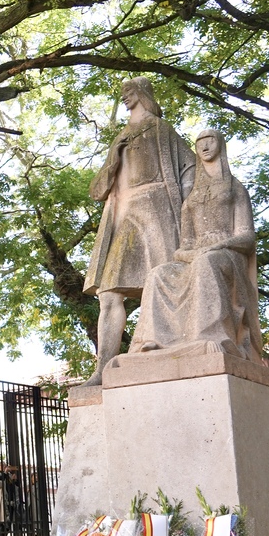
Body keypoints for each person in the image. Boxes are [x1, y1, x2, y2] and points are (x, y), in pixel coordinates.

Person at [83, 77, 196, 385]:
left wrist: (187, 212)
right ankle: (102, 369)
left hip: (158, 211)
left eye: (129, 92)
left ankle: (164, 349)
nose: (125, 97)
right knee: (108, 294)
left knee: (160, 284)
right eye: (122, 93)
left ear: (143, 94)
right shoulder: (121, 136)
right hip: (126, 216)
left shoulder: (162, 130)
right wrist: (113, 157)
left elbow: (190, 169)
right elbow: (97, 191)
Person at [127, 129, 264, 361]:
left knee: (206, 263)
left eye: (210, 141)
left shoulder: (235, 188)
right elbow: (183, 246)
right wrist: (191, 255)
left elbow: (247, 237)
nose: (204, 147)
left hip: (228, 255)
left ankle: (210, 334)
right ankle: (156, 338)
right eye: (200, 143)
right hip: (196, 257)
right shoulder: (192, 198)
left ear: (220, 143)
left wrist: (216, 247)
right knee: (158, 274)